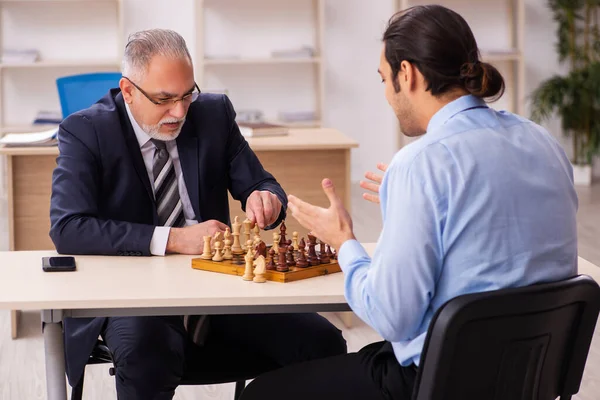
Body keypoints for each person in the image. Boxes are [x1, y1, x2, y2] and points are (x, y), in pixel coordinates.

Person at [240, 5, 578, 400]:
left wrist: (344, 242)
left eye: (384, 78)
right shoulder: (544, 142)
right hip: (532, 377)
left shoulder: (421, 164)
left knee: (261, 394)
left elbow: (393, 317)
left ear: (408, 74)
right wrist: (413, 199)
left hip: (442, 382)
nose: (386, 94)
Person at [49, 29, 346, 399]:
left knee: (323, 343)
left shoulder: (213, 114)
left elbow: (264, 184)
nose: (179, 111)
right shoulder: (86, 130)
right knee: (148, 355)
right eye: (164, 99)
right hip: (132, 298)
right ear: (127, 90)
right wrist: (173, 239)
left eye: (187, 94)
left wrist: (264, 198)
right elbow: (68, 227)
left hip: (218, 290)